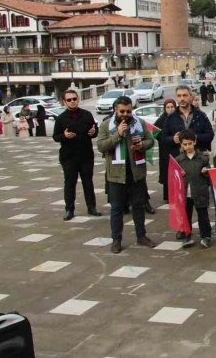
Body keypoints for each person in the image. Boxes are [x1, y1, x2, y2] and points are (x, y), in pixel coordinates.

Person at [96, 96, 157, 254]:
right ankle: (116, 240)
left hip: (136, 172)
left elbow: (151, 141)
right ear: (115, 109)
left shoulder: (139, 123)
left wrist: (142, 145)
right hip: (116, 175)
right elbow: (101, 146)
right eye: (122, 111)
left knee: (138, 206)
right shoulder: (105, 126)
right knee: (116, 209)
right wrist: (118, 135)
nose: (125, 114)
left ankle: (141, 236)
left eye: (128, 111)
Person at [161, 85, 213, 241]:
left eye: (185, 95)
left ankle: (205, 234)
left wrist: (192, 138)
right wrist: (173, 139)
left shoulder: (200, 115)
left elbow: (209, 135)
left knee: (199, 198)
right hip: (180, 162)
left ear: (191, 97)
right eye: (179, 96)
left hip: (197, 161)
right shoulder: (171, 117)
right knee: (181, 200)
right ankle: (183, 229)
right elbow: (162, 138)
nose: (182, 98)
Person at [52, 89, 101, 221]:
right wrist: (64, 136)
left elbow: (94, 130)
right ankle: (69, 209)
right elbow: (55, 136)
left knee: (88, 182)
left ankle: (91, 207)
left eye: (74, 99)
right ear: (64, 102)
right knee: (70, 183)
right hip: (69, 157)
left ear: (78, 99)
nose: (72, 101)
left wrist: (93, 132)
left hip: (86, 155)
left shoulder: (86, 115)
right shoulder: (62, 118)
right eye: (69, 100)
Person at [175, 129, 213, 248]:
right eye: (185, 144)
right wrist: (178, 174)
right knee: (186, 215)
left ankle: (206, 236)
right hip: (185, 193)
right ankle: (186, 236)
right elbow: (173, 176)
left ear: (195, 142)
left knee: (203, 215)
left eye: (190, 143)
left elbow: (210, 174)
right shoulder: (178, 160)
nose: (188, 146)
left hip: (200, 192)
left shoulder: (202, 158)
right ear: (181, 144)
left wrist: (206, 171)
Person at [155, 99, 176, 202]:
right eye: (168, 107)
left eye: (172, 107)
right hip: (165, 150)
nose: (170, 109)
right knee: (167, 172)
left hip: (176, 149)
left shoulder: (177, 118)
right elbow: (155, 133)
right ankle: (167, 196)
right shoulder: (161, 120)